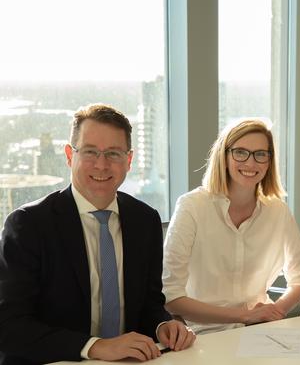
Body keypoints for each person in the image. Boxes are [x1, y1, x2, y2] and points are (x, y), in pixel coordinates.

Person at [0, 104, 195, 364]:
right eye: (90, 152)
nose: (102, 165)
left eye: (113, 153)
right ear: (70, 155)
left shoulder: (144, 220)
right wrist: (95, 347)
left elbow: (149, 303)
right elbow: (9, 326)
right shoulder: (29, 225)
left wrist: (163, 325)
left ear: (129, 159)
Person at [162, 118, 300, 334]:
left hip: (261, 329)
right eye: (240, 152)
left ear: (269, 161)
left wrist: (275, 310)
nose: (251, 163)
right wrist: (245, 315)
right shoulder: (192, 206)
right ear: (224, 157)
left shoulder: (277, 211)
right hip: (202, 334)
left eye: (260, 154)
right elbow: (172, 298)